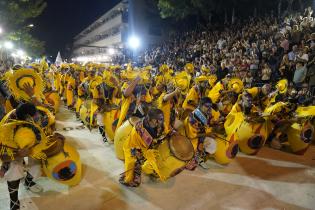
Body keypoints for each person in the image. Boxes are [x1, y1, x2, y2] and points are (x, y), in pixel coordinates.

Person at [0, 103, 44, 210]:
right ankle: (14, 201)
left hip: (27, 144)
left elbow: (42, 136)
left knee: (38, 158)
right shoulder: (6, 128)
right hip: (12, 147)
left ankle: (28, 181)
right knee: (14, 169)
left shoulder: (34, 117)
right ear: (27, 117)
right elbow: (3, 156)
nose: (36, 118)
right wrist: (18, 154)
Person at [119, 108, 165, 187]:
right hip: (133, 146)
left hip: (146, 147)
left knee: (141, 163)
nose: (159, 122)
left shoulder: (158, 125)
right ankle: (130, 179)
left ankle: (137, 174)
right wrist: (140, 155)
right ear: (150, 119)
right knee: (132, 162)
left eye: (161, 119)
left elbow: (160, 134)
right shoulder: (140, 129)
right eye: (156, 120)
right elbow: (136, 145)